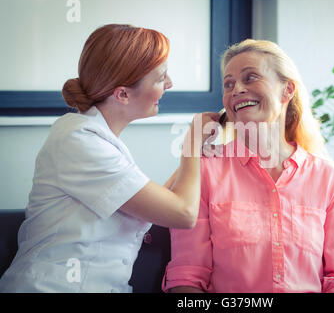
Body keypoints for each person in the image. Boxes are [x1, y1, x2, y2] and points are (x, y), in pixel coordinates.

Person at [0, 24, 219, 293]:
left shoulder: (97, 140)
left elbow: (157, 203)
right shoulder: (78, 141)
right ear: (122, 94)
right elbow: (182, 213)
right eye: (161, 78)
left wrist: (195, 156)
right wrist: (190, 147)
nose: (170, 84)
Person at [162, 39, 334, 293]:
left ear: (287, 90)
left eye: (250, 78)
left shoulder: (327, 177)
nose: (236, 89)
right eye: (228, 84)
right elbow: (187, 280)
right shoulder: (205, 172)